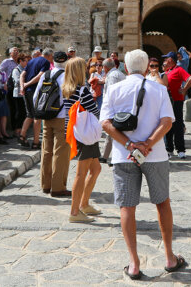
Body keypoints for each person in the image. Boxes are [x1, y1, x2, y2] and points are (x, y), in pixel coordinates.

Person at [100, 49, 186, 279]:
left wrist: (130, 145)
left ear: (125, 68)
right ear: (148, 67)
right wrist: (147, 144)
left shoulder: (115, 88)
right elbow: (167, 122)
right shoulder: (158, 89)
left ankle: (134, 263)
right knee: (162, 203)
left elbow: (106, 123)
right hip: (155, 154)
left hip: (123, 155)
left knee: (127, 207)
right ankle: (169, 257)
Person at [61, 56, 103, 221]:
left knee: (96, 169)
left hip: (76, 132)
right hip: (85, 136)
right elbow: (94, 111)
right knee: (81, 173)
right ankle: (75, 211)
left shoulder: (67, 89)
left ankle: (84, 204)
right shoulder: (82, 90)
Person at [33, 52, 72, 197]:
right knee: (60, 152)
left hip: (46, 116)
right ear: (66, 62)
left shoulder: (46, 75)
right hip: (62, 117)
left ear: (53, 62)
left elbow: (36, 96)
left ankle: (45, 184)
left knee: (47, 150)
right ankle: (57, 187)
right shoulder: (68, 76)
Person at [162, 51, 191, 159]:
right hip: (167, 101)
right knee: (167, 125)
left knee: (178, 125)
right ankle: (169, 148)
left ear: (171, 59)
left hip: (176, 101)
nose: (165, 60)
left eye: (167, 58)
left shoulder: (178, 69)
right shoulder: (167, 71)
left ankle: (180, 149)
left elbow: (190, 79)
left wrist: (184, 89)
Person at [20, 48, 53, 149]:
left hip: (27, 91)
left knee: (30, 114)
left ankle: (22, 135)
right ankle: (35, 142)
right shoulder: (46, 62)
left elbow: (22, 74)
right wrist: (27, 84)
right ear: (50, 55)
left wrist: (23, 86)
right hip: (35, 91)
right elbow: (40, 76)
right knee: (37, 116)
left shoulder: (31, 61)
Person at [100, 58, 127, 163]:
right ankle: (105, 156)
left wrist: (109, 109)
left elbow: (111, 93)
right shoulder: (118, 73)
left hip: (115, 108)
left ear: (105, 67)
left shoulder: (112, 76)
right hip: (120, 106)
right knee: (111, 133)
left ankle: (114, 158)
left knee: (113, 132)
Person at [0, 47, 20, 137]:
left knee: (18, 107)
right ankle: (13, 127)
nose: (16, 53)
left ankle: (18, 127)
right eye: (14, 52)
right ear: (10, 53)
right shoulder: (7, 62)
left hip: (18, 87)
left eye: (17, 52)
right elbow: (0, 71)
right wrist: (4, 83)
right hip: (9, 87)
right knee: (12, 107)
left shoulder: (19, 62)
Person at [10, 52, 29, 138]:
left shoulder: (25, 69)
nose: (27, 63)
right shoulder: (16, 70)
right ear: (20, 61)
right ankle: (16, 129)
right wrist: (26, 81)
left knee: (23, 112)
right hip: (18, 94)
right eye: (25, 61)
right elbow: (17, 81)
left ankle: (20, 129)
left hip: (23, 94)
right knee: (19, 112)